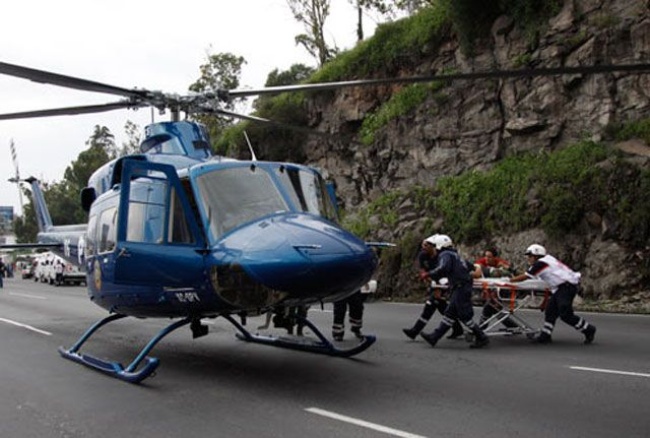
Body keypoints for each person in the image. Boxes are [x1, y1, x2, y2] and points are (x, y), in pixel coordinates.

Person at [509, 244, 596, 344]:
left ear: (536, 256)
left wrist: (509, 281)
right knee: (550, 311)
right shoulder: (548, 259)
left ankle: (588, 329)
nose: (528, 258)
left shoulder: (540, 263)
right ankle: (546, 335)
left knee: (565, 314)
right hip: (562, 288)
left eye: (530, 256)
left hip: (565, 287)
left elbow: (526, 276)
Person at [418, 234, 490, 349]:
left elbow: (443, 268)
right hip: (461, 286)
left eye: (435, 245)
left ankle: (482, 336)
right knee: (450, 314)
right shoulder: (455, 255)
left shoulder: (445, 255)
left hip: (461, 287)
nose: (434, 248)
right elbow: (469, 267)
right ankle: (434, 337)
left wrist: (428, 274)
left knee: (464, 316)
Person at [403, 236, 465, 340]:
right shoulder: (423, 255)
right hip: (433, 280)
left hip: (446, 280)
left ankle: (415, 330)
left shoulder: (443, 255)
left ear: (433, 246)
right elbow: (422, 270)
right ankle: (457, 328)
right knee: (440, 305)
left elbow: (445, 271)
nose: (423, 247)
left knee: (432, 303)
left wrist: (439, 288)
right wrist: (428, 280)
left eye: (426, 245)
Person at [475, 247, 519, 330]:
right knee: (492, 308)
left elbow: (512, 274)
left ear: (495, 258)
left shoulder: (501, 263)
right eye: (485, 256)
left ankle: (480, 329)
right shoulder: (482, 262)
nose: (486, 259)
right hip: (490, 289)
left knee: (490, 307)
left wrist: (506, 268)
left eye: (489, 257)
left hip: (502, 290)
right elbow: (476, 269)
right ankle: (513, 327)